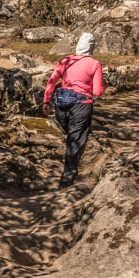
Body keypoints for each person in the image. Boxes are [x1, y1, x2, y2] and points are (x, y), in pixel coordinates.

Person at [42, 32, 104, 189]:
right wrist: (103, 87)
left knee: (70, 138)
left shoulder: (66, 60)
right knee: (75, 142)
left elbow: (52, 81)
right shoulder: (94, 64)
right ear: (92, 47)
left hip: (61, 104)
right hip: (82, 105)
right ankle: (66, 182)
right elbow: (97, 92)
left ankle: (67, 172)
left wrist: (46, 100)